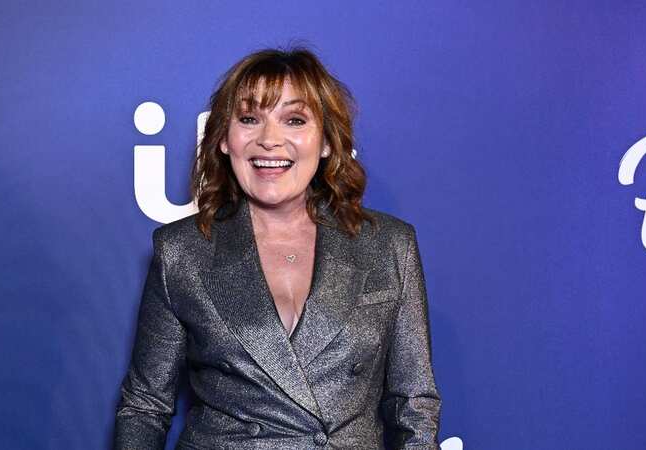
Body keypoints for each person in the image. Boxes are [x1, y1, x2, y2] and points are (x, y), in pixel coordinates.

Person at [114, 46, 441, 449]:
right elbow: (145, 406)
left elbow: (414, 405)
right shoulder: (181, 251)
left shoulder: (390, 245)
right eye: (250, 119)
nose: (269, 140)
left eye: (295, 120)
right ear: (223, 140)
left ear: (326, 142)